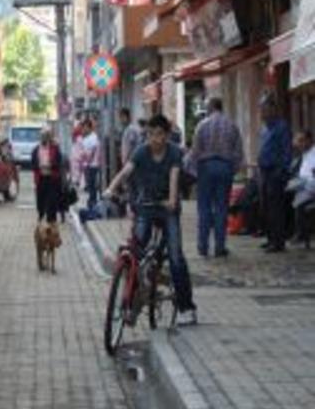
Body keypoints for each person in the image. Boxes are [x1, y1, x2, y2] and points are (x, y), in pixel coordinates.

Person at [103, 115, 198, 326]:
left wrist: (172, 200)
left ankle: (186, 307)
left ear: (167, 135)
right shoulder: (141, 151)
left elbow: (174, 177)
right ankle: (132, 303)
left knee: (175, 256)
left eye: (161, 134)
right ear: (147, 135)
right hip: (145, 206)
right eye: (152, 134)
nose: (157, 139)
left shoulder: (174, 152)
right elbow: (126, 171)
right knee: (136, 250)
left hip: (167, 209)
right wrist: (111, 188)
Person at [188, 98, 244, 257]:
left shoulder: (202, 125)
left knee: (204, 208)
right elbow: (238, 152)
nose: (206, 110)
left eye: (207, 107)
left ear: (212, 107)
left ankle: (203, 247)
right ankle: (220, 247)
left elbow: (195, 151)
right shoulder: (232, 125)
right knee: (222, 208)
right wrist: (232, 170)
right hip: (225, 167)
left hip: (206, 167)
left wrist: (194, 173)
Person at [258, 97, 293, 253]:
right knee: (266, 207)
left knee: (276, 209)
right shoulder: (265, 128)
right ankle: (271, 238)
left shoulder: (281, 127)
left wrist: (282, 171)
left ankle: (278, 242)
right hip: (264, 172)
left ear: (273, 110)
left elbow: (286, 152)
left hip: (275, 173)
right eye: (261, 110)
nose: (262, 113)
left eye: (265, 110)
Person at [31, 129, 64, 223]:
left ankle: (51, 219)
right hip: (40, 178)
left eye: (45, 136)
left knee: (52, 200)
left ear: (49, 137)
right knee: (40, 199)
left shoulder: (55, 148)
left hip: (52, 178)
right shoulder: (36, 150)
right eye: (42, 136)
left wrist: (50, 166)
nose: (43, 138)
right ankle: (41, 214)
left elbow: (59, 162)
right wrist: (39, 166)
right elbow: (33, 163)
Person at [289, 131, 315, 248]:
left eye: (302, 140)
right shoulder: (303, 154)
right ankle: (287, 231)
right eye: (298, 141)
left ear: (309, 140)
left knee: (299, 201)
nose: (299, 144)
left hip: (311, 187)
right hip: (302, 185)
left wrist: (301, 183)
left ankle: (301, 234)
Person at [81, 118, 102, 210]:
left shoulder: (93, 137)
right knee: (90, 186)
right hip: (88, 165)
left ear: (89, 127)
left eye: (85, 127)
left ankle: (92, 203)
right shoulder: (87, 137)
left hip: (92, 165)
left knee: (92, 186)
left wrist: (88, 162)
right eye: (83, 127)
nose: (84, 129)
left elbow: (93, 151)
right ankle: (91, 202)